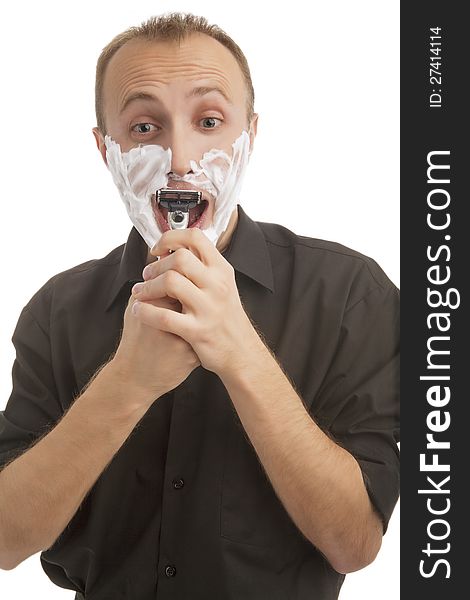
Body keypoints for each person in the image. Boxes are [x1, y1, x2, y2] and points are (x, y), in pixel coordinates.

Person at [0, 12, 399, 600]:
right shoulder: (56, 312)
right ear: (103, 147)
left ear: (251, 134)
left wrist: (240, 353)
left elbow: (356, 544)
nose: (180, 158)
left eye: (209, 121)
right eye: (143, 129)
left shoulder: (348, 294)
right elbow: (6, 541)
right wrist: (128, 382)